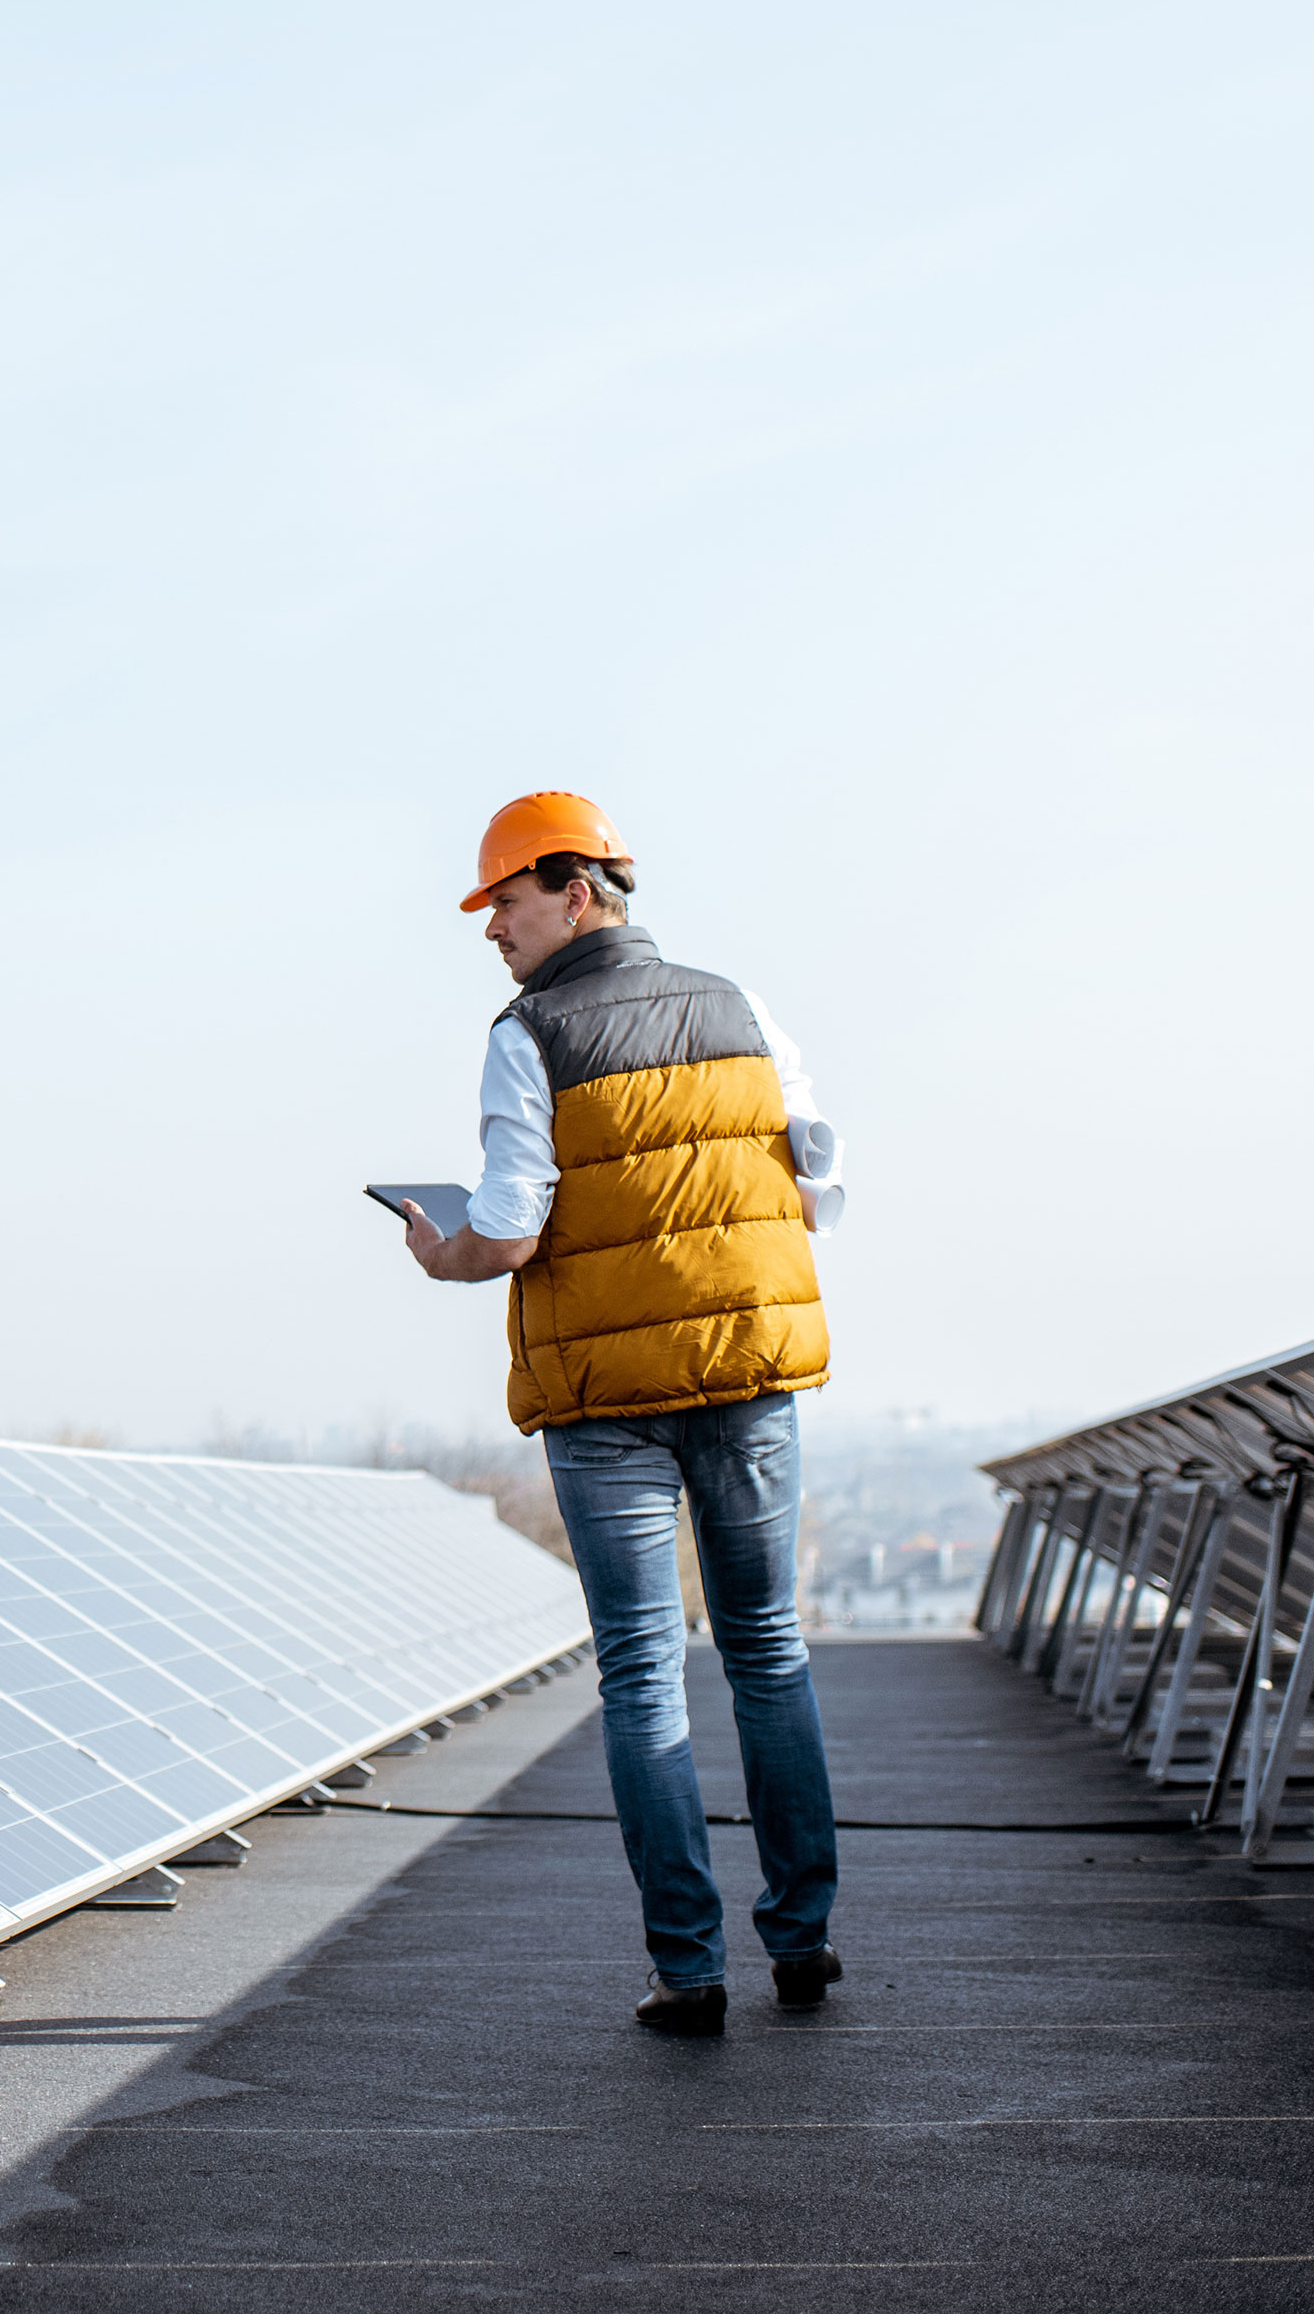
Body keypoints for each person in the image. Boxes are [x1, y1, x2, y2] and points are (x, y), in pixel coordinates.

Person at [391, 791, 846, 2038]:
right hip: (750, 1370)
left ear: (576, 889)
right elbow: (820, 1180)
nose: (492, 931)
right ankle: (803, 1941)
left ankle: (688, 1970)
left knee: (645, 1671)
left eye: (505, 905)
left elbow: (514, 1227)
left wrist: (444, 1254)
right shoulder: (743, 1007)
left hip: (609, 1408)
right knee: (768, 1646)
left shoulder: (529, 1031)